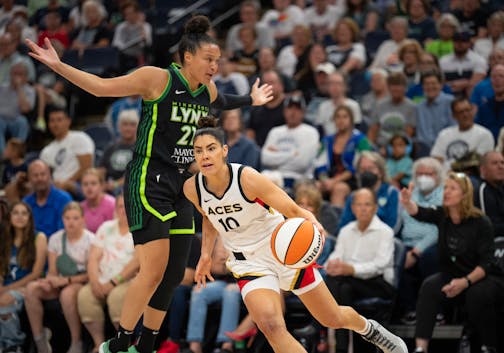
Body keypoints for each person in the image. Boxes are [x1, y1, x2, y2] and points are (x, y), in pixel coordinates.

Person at [25, 14, 273, 353]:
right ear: (188, 57)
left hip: (183, 186)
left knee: (172, 275)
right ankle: (119, 343)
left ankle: (146, 346)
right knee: (153, 269)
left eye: (218, 60)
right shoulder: (157, 79)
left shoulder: (208, 90)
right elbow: (100, 87)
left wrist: (252, 100)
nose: (215, 66)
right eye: (209, 59)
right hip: (148, 179)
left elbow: (224, 100)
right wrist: (59, 66)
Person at [182, 115, 408, 353]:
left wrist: (315, 226)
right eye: (199, 151)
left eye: (211, 149)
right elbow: (208, 216)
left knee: (331, 318)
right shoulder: (192, 188)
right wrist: (205, 254)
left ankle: (370, 329)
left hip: (283, 250)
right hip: (247, 261)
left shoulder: (247, 178)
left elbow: (293, 209)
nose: (205, 156)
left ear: (224, 151)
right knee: (270, 326)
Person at [400, 172, 504, 353]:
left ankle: (488, 345)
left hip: (481, 277)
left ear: (464, 195)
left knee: (476, 294)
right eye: (445, 187)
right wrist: (408, 203)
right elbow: (421, 213)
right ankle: (420, 348)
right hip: (453, 275)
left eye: (452, 188)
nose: (446, 192)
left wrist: (465, 282)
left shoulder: (481, 222)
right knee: (429, 286)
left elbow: (487, 263)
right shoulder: (443, 216)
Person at [325, 188, 396, 353]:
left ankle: (324, 331)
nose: (363, 208)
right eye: (359, 204)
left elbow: (380, 264)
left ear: (375, 208)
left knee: (340, 282)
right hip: (350, 284)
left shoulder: (385, 232)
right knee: (343, 288)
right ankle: (343, 347)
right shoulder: (346, 230)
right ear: (352, 208)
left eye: (367, 204)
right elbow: (336, 256)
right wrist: (332, 265)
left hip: (379, 284)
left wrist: (351, 269)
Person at [24, 202, 94, 353]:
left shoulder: (91, 240)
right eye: (67, 218)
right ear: (62, 219)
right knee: (31, 289)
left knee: (67, 294)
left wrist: (67, 281)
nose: (71, 222)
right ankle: (39, 340)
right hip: (60, 281)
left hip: (81, 282)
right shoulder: (56, 239)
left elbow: (91, 274)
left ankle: (76, 342)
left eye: (75, 218)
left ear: (82, 219)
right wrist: (49, 280)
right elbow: (53, 270)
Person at [77, 194, 139, 353]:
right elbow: (93, 258)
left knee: (116, 297)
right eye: (120, 206)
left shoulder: (140, 229)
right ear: (115, 209)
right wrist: (94, 281)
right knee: (85, 295)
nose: (123, 210)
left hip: (126, 280)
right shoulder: (106, 227)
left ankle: (124, 345)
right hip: (101, 278)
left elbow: (136, 262)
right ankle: (99, 345)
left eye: (127, 206)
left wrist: (113, 283)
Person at [397, 157, 443, 324]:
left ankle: (436, 311)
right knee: (397, 256)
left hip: (434, 242)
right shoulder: (411, 194)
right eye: (420, 173)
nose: (423, 177)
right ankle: (409, 310)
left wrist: (416, 252)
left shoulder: (444, 194)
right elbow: (406, 223)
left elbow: (436, 229)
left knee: (429, 259)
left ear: (437, 176)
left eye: (428, 174)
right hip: (408, 241)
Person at [0, 201, 47, 352]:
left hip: (27, 287)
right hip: (6, 286)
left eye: (24, 213)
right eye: (16, 213)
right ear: (10, 217)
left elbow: (37, 272)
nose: (20, 217)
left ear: (30, 217)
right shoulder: (4, 238)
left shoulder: (39, 238)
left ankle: (13, 345)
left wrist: (7, 288)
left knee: (5, 302)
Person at [183, 237, 241, 353]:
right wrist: (225, 265)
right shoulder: (217, 236)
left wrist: (228, 263)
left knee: (230, 291)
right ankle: (194, 346)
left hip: (242, 282)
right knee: (198, 290)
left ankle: (225, 345)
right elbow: (214, 268)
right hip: (220, 281)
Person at [23, 159, 72, 237]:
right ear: (29, 179)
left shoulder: (63, 199)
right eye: (35, 175)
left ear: (49, 176)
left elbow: (64, 232)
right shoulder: (26, 203)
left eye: (43, 174)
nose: (39, 178)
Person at [474, 151, 504, 236]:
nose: (500, 166)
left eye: (502, 162)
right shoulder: (482, 191)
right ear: (483, 169)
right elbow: (487, 227)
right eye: (495, 163)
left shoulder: (501, 189)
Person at [80, 168, 116, 233]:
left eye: (93, 183)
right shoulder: (80, 208)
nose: (89, 187)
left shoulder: (112, 204)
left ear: (102, 186)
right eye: (85, 184)